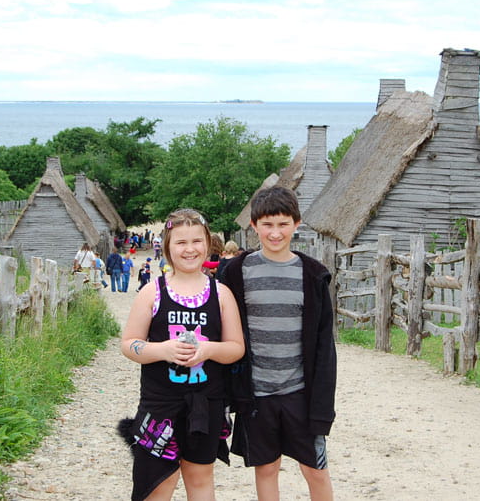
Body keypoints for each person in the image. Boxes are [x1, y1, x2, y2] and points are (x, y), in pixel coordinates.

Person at [220, 186, 337, 501]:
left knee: (316, 470)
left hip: (300, 394)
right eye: (267, 225)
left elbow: (325, 349)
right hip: (257, 395)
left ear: (297, 224)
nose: (275, 232)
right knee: (267, 469)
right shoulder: (234, 272)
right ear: (254, 225)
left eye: (283, 224)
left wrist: (323, 407)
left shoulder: (313, 276)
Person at [120, 208, 245, 501]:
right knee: (155, 483)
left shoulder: (221, 294)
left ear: (208, 243)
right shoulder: (152, 292)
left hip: (207, 404)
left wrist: (208, 349)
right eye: (181, 242)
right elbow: (128, 344)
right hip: (159, 404)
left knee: (200, 479)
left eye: (196, 241)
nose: (190, 249)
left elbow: (236, 348)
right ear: (167, 246)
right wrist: (162, 349)